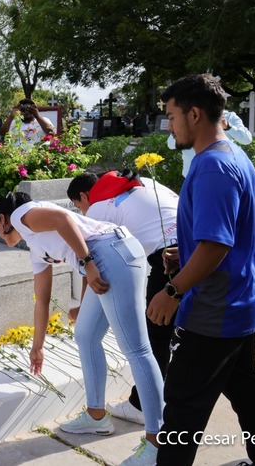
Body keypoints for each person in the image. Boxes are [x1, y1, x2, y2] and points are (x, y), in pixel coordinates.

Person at [147, 74, 255, 466]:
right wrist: (184, 256)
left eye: (171, 117)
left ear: (194, 113)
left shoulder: (212, 168)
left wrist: (172, 291)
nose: (169, 127)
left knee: (182, 413)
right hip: (240, 302)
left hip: (214, 312)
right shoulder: (234, 157)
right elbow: (231, 233)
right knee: (247, 392)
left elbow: (217, 245)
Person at [0, 191, 164, 466]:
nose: (2, 235)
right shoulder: (36, 248)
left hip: (109, 255)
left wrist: (87, 263)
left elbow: (63, 219)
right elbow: (42, 301)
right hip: (106, 257)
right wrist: (37, 346)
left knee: (137, 349)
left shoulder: (21, 215)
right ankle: (97, 416)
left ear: (3, 219)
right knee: (85, 335)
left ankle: (158, 443)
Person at [68, 170, 180, 427]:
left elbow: (92, 264)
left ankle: (144, 408)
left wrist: (83, 308)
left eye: (78, 206)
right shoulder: (140, 183)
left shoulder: (97, 207)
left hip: (171, 258)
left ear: (85, 196)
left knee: (153, 334)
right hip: (196, 245)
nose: (82, 212)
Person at [167, 109, 252, 176]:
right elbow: (170, 145)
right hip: (192, 177)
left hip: (222, 175)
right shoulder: (187, 119)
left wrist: (228, 126)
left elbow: (246, 140)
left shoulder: (229, 116)